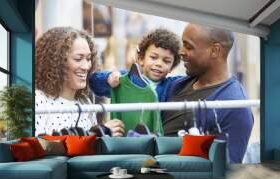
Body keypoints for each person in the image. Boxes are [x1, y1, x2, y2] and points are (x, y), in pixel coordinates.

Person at [162, 24, 254, 163]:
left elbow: (224, 169)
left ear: (214, 50)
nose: (181, 52)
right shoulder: (177, 84)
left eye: (189, 46)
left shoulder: (235, 107)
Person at [35, 27, 124, 137]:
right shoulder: (39, 100)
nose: (86, 67)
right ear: (57, 62)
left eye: (88, 58)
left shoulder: (84, 101)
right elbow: (40, 146)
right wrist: (99, 132)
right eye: (78, 59)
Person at [89, 28, 182, 102]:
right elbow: (94, 81)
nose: (159, 64)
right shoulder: (128, 78)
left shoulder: (171, 85)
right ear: (141, 59)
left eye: (166, 61)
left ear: (172, 66)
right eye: (153, 57)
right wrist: (108, 79)